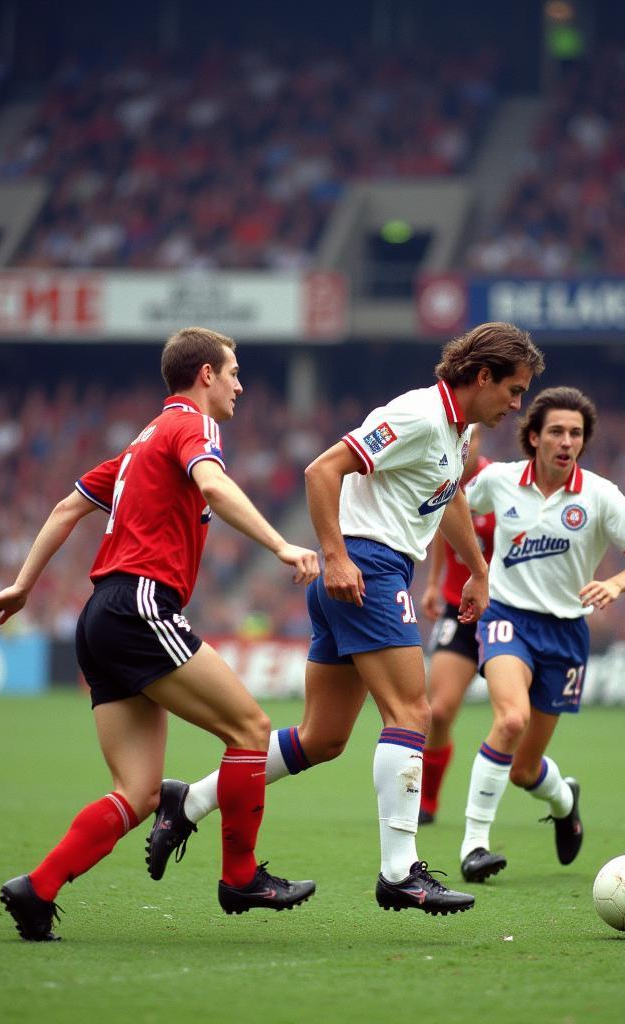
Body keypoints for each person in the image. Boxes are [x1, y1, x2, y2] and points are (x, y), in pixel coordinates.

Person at [146, 322, 546, 915]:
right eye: (513, 391)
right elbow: (321, 470)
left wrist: (478, 569)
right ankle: (400, 872)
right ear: (482, 376)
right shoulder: (416, 415)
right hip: (366, 569)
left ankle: (190, 801)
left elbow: (451, 494)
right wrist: (334, 555)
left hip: (365, 573)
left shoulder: (456, 432)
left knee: (324, 737)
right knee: (412, 712)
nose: (517, 406)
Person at [0, 327, 321, 941]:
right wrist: (281, 544)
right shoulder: (193, 425)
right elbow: (212, 484)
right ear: (205, 375)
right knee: (250, 730)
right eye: (234, 371)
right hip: (140, 605)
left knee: (135, 792)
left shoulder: (138, 445)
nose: (241, 384)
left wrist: (23, 586)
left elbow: (64, 509)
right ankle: (240, 877)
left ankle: (37, 888)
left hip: (99, 616)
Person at [457, 386, 625, 883]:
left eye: (576, 433)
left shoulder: (601, 495)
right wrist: (475, 566)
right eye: (557, 432)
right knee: (509, 720)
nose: (567, 441)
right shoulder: (500, 481)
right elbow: (452, 502)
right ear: (533, 437)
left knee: (526, 770)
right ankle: (474, 846)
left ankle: (565, 801)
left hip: (566, 634)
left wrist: (615, 583)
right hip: (507, 616)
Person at [417, 431, 496, 826]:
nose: (468, 442)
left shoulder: (499, 484)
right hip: (457, 608)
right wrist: (434, 582)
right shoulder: (445, 478)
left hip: (504, 613)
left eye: (474, 436)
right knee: (440, 710)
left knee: (516, 719)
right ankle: (427, 802)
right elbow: (440, 530)